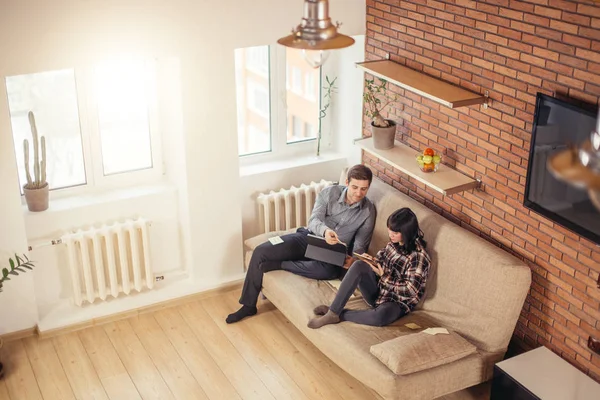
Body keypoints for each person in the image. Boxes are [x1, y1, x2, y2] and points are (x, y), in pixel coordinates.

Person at [226, 164, 377, 324]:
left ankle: (281, 264)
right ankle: (248, 305)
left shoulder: (368, 211)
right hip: (309, 237)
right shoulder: (329, 193)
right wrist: (325, 231)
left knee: (328, 272)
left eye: (364, 189)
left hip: (332, 254)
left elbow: (360, 244)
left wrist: (353, 259)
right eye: (355, 187)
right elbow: (313, 221)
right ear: (346, 182)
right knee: (260, 251)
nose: (359, 193)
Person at [307, 207, 431, 329]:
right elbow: (381, 258)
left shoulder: (418, 256)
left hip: (397, 303)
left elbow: (410, 290)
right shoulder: (394, 243)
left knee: (380, 317)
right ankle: (333, 312)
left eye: (395, 233)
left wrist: (384, 277)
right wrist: (372, 260)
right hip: (379, 291)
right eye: (389, 230)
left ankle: (337, 314)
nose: (390, 235)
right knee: (358, 265)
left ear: (407, 232)